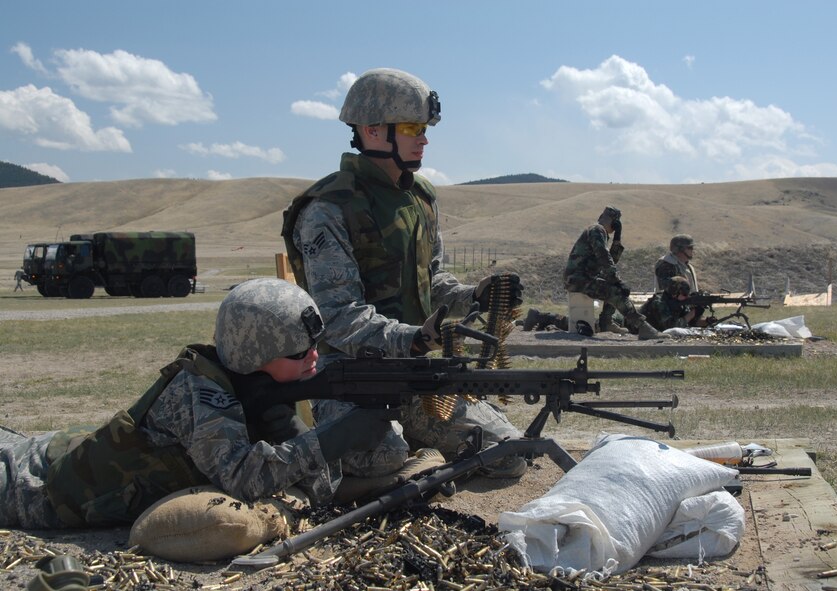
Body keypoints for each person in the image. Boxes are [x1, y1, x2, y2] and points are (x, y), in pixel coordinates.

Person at [282, 67, 527, 480]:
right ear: (373, 130)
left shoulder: (420, 198)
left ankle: (418, 442)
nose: (424, 138)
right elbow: (338, 315)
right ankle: (398, 448)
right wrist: (410, 339)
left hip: (415, 372)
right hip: (351, 377)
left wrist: (477, 295)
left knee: (508, 454)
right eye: (413, 127)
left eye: (425, 127)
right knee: (381, 460)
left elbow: (431, 282)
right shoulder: (330, 207)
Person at [0, 278, 390, 529]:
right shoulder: (200, 393)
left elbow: (319, 489)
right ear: (254, 355)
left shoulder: (267, 386)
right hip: (34, 490)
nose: (314, 359)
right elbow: (242, 478)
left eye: (315, 347)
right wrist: (335, 438)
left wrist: (293, 429)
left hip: (72, 448)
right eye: (299, 353)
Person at [563, 206, 669, 340]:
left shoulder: (599, 232)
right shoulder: (597, 230)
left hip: (581, 278)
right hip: (578, 279)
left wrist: (617, 239)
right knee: (616, 291)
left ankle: (606, 322)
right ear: (614, 222)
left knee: (613, 287)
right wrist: (617, 281)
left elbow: (612, 260)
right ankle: (641, 326)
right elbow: (605, 258)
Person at [655, 234, 708, 326]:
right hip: (668, 310)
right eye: (689, 248)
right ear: (680, 249)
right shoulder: (666, 264)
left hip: (685, 308)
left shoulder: (687, 266)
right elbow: (666, 290)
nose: (692, 250)